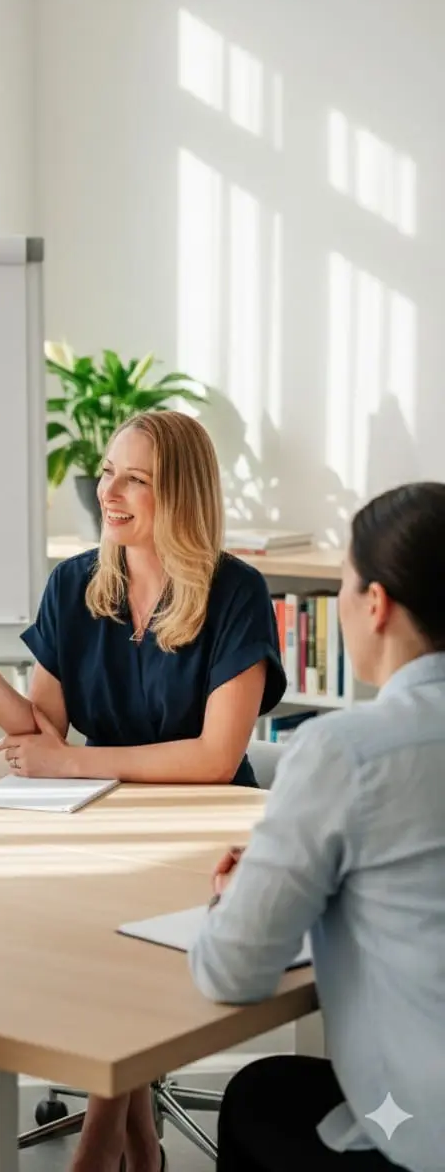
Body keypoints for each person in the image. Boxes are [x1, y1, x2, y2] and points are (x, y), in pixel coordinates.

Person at [0, 410, 286, 1172]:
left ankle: (103, 1140)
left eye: (135, 479)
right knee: (78, 932)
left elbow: (215, 757)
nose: (110, 491)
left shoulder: (236, 590)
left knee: (126, 939)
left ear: (180, 493)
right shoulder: (76, 582)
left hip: (209, 828)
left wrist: (74, 763)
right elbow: (44, 728)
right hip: (102, 815)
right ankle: (139, 1143)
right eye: (108, 472)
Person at [192, 482, 445, 1172]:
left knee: (260, 1093)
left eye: (342, 584)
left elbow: (232, 971)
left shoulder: (346, 751)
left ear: (376, 604)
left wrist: (237, 897)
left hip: (426, 1133)